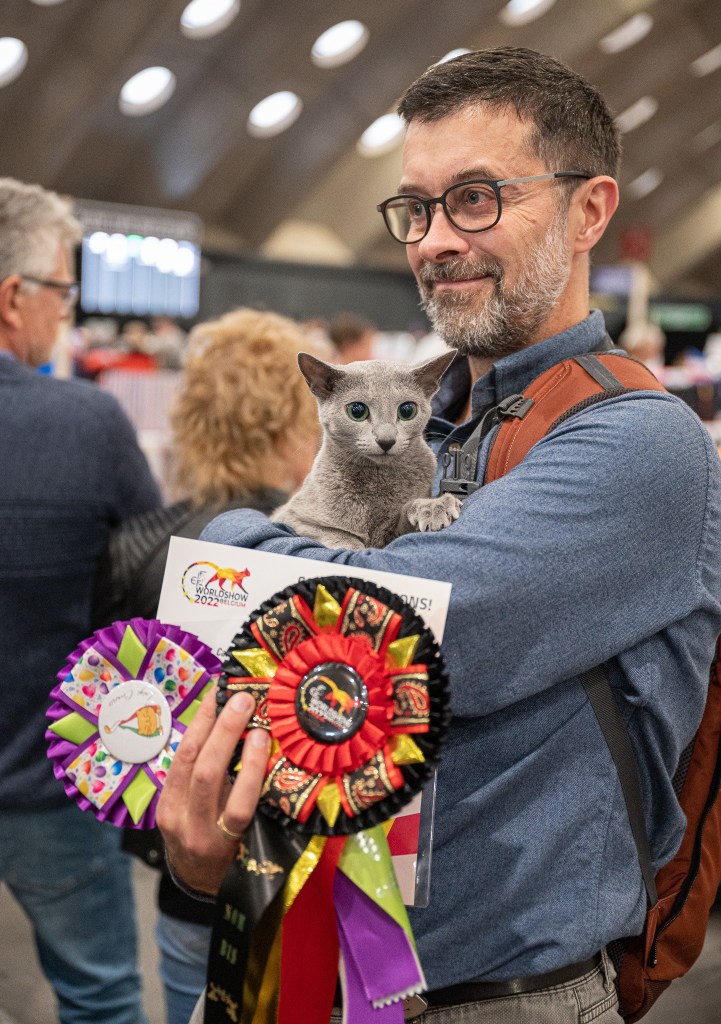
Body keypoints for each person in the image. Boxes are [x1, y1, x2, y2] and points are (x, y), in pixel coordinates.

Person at [157, 48, 721, 1024]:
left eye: (473, 199)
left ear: (589, 210)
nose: (431, 241)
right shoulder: (428, 413)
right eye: (414, 209)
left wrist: (229, 534)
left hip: (492, 994)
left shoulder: (639, 443)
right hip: (299, 938)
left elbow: (387, 629)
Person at [97, 306, 320, 1024]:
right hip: (308, 888)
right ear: (296, 418)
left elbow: (115, 739)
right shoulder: (320, 557)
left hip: (180, 883)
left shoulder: (135, 545)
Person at [0, 177, 162, 1024]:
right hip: (51, 781)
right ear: (11, 298)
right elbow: (151, 580)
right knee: (99, 997)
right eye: (63, 291)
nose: (68, 311)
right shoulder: (88, 424)